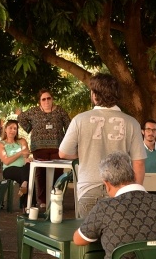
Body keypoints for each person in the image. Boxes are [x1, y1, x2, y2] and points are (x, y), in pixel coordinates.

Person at [59, 73, 146, 219]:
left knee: (89, 238)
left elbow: (63, 153)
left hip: (88, 190)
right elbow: (139, 163)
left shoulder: (79, 120)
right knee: (118, 238)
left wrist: (84, 152)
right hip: (121, 191)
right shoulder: (132, 123)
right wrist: (135, 192)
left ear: (94, 95)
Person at [18, 89, 72, 208]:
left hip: (57, 148)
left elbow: (70, 126)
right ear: (39, 101)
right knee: (40, 173)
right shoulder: (34, 111)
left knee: (58, 173)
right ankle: (42, 201)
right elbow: (21, 118)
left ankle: (55, 199)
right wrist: (29, 128)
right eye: (43, 99)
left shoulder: (60, 111)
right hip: (39, 148)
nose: (46, 101)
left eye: (49, 98)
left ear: (52, 99)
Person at [0, 120, 31, 206]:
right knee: (28, 177)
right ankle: (27, 207)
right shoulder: (2, 144)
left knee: (28, 167)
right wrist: (20, 153)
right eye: (10, 128)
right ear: (5, 129)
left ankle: (24, 185)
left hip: (23, 169)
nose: (13, 130)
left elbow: (26, 155)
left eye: (15, 128)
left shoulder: (22, 141)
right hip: (9, 170)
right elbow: (6, 161)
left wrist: (26, 157)